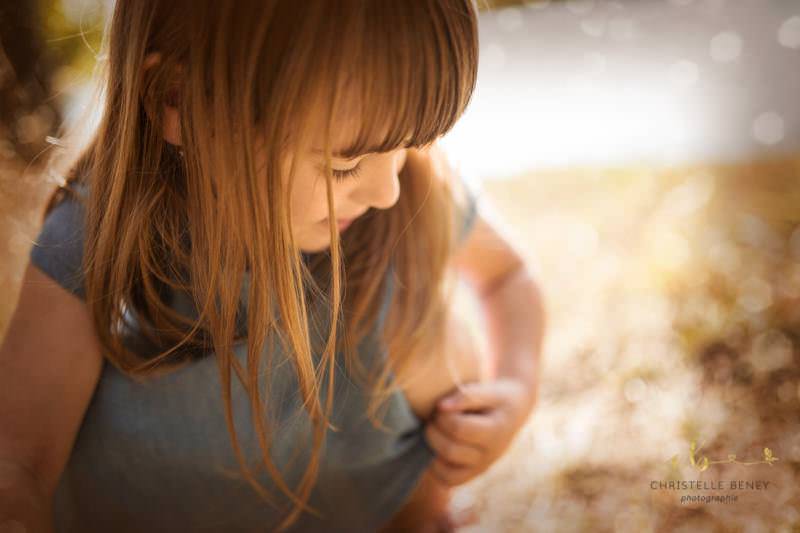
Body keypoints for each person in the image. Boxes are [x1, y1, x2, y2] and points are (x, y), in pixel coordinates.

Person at [0, 1, 545, 531]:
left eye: (411, 145)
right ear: (177, 99)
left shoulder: (406, 192)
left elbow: (506, 276)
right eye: (344, 166)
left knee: (417, 300)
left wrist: (514, 395)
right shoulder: (96, 234)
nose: (387, 190)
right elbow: (22, 458)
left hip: (369, 503)